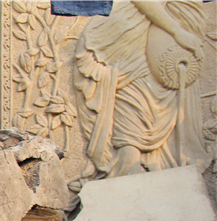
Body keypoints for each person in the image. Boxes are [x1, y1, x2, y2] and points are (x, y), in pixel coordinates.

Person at [73, 0, 211, 185]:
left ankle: (147, 175)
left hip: (171, 45)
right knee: (136, 100)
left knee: (155, 102)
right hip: (138, 35)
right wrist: (176, 31)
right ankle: (127, 175)